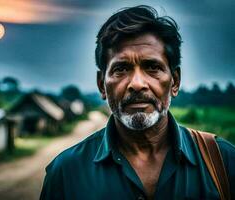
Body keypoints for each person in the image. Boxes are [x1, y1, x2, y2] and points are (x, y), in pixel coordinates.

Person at [40, 5, 235, 200]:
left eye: (152, 67)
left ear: (174, 81)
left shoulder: (224, 162)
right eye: (121, 69)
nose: (137, 84)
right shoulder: (65, 173)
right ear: (101, 85)